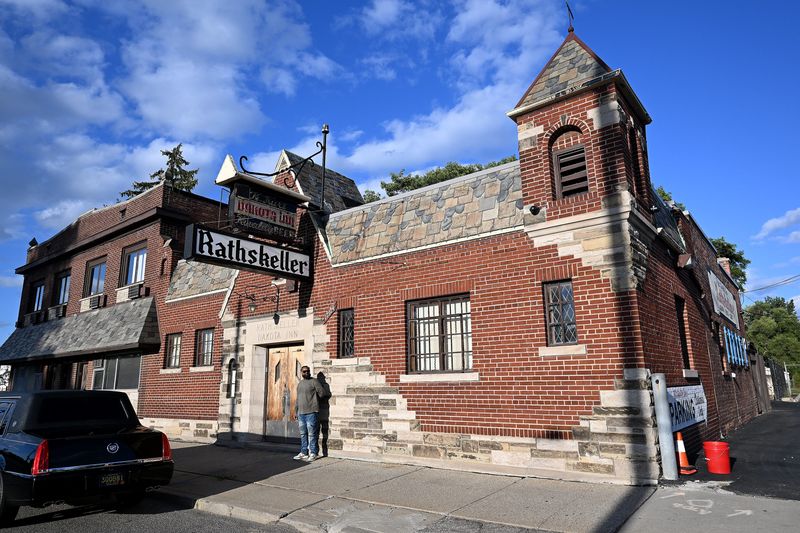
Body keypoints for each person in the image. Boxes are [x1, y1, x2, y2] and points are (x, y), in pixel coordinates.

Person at [293, 365, 330, 462]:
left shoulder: (314, 381)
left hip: (311, 412)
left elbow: (322, 393)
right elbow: (298, 399)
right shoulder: (300, 384)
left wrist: (314, 400)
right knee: (303, 434)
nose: (306, 373)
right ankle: (304, 452)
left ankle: (313, 453)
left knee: (312, 434)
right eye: (304, 371)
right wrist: (296, 411)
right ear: (301, 373)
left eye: (308, 371)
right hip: (301, 413)